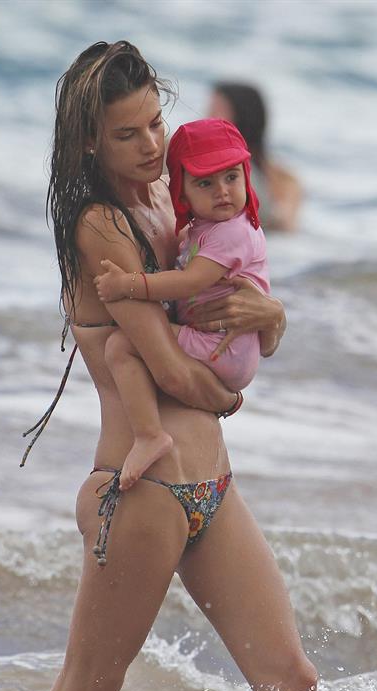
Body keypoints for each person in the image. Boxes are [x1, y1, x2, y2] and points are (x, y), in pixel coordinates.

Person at [0, 40, 331, 691]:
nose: (151, 146)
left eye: (156, 123)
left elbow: (246, 307)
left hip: (212, 489)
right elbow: (177, 373)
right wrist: (234, 392)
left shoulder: (173, 209)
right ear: (87, 142)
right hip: (140, 493)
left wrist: (274, 321)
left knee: (294, 686)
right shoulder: (99, 226)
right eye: (126, 135)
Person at [94, 117, 272, 491]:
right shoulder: (201, 230)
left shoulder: (233, 231)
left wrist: (127, 285)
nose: (222, 191)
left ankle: (148, 435)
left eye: (231, 177)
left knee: (121, 346)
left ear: (246, 174)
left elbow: (189, 282)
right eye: (205, 182)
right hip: (228, 352)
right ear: (183, 191)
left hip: (223, 349)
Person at [208, 82, 302, 232]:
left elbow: (287, 227)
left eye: (216, 110)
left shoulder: (284, 179)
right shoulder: (284, 178)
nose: (208, 117)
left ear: (243, 116)